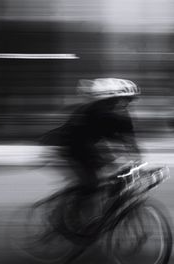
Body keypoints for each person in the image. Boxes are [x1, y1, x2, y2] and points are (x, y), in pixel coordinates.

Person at [41, 78, 142, 232]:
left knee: (116, 177)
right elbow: (79, 144)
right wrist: (107, 161)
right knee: (90, 183)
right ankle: (69, 218)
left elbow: (130, 142)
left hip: (89, 149)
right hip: (68, 148)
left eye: (128, 101)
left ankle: (100, 212)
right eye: (119, 100)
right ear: (105, 101)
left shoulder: (123, 117)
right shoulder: (88, 113)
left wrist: (136, 161)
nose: (124, 104)